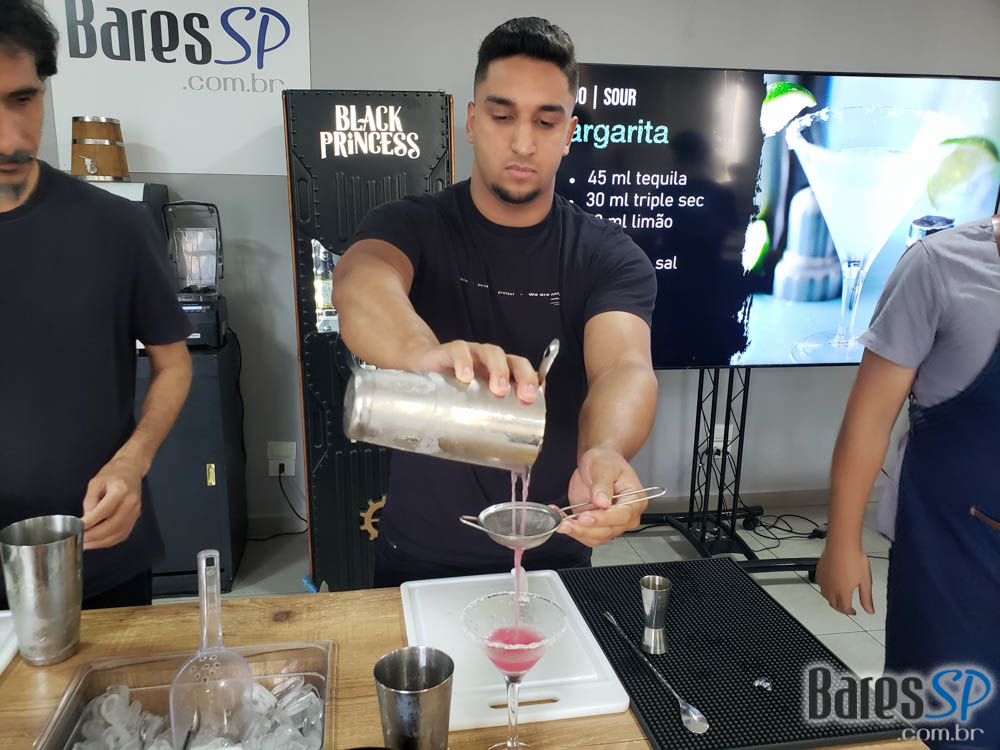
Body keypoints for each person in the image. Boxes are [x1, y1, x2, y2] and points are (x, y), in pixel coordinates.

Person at [332, 17, 658, 586]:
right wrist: (425, 355)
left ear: (569, 134)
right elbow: (360, 282)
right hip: (420, 552)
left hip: (556, 552)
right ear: (471, 121)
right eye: (503, 116)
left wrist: (604, 451)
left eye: (546, 122)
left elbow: (623, 367)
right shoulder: (412, 225)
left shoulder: (608, 255)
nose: (523, 142)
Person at [0, 1, 192, 609]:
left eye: (22, 99)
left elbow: (173, 363)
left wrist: (133, 461)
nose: (10, 137)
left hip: (99, 551)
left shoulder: (115, 226)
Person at [816, 217, 1000, 746]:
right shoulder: (941, 266)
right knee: (947, 729)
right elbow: (869, 420)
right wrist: (842, 541)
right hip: (953, 557)